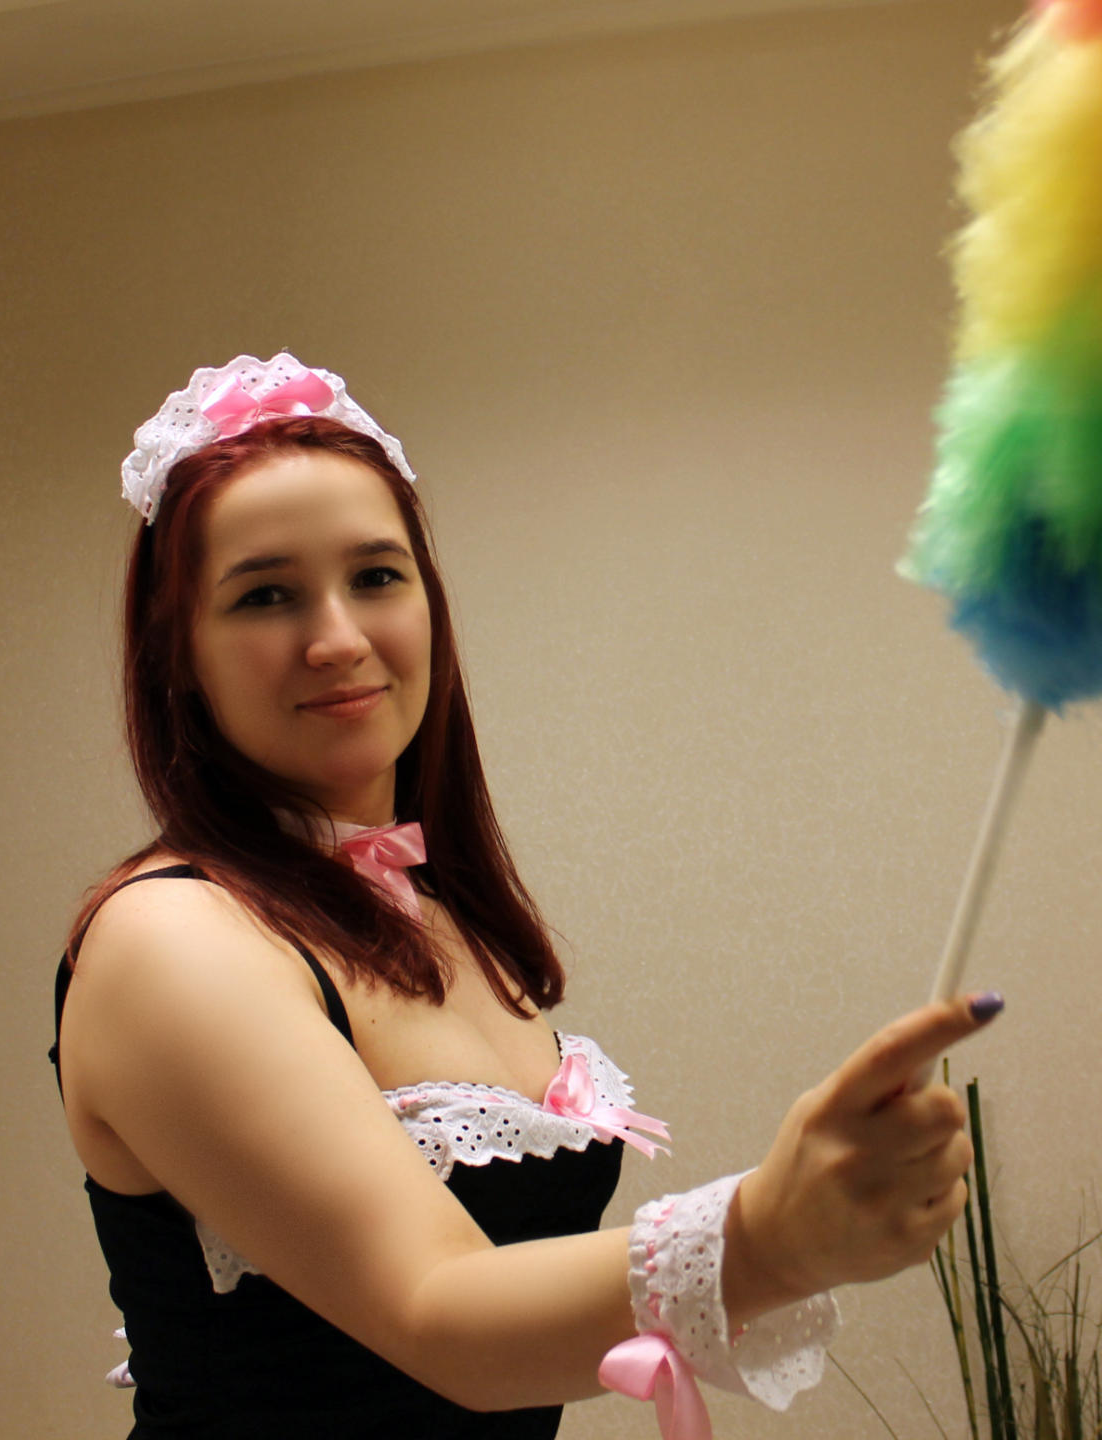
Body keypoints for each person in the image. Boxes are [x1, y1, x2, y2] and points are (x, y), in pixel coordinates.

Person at [50, 352, 1004, 1438]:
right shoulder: (170, 938)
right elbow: (437, 1309)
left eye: (377, 577)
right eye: (265, 595)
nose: (339, 639)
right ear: (177, 650)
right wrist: (764, 1238)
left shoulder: (433, 912)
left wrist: (820, 1212)